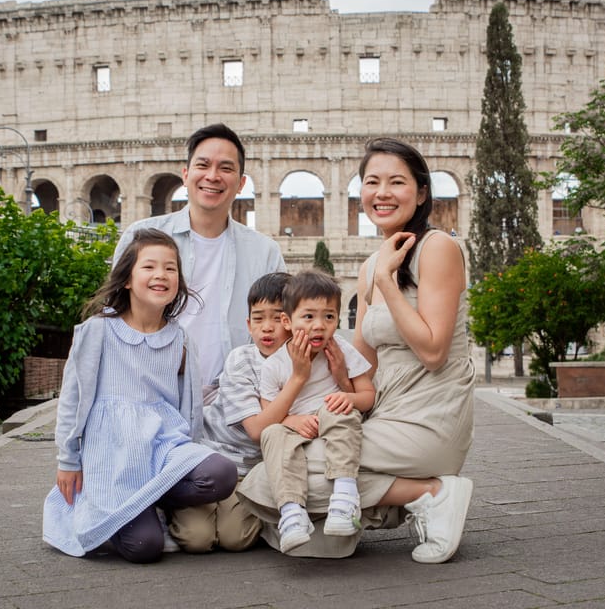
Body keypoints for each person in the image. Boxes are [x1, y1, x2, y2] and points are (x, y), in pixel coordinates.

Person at [238, 138, 475, 563]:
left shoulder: (437, 248)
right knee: (318, 535)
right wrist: (304, 367)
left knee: (272, 473)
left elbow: (435, 351)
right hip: (384, 411)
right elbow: (359, 364)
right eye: (372, 182)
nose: (382, 193)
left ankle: (433, 491)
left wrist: (387, 280)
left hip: (429, 413)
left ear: (421, 192)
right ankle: (395, 505)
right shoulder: (370, 265)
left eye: (396, 182)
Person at [42, 228, 238, 564]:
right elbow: (73, 399)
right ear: (128, 279)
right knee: (145, 548)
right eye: (149, 267)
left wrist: (188, 459)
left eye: (170, 268)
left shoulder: (180, 339)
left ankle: (151, 499)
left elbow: (188, 406)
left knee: (221, 474)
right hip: (113, 454)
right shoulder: (98, 331)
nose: (161, 274)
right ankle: (127, 510)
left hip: (162, 448)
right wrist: (68, 460)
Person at [113, 123, 286, 395]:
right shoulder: (139, 237)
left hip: (234, 402)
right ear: (185, 174)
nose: (213, 176)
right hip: (149, 392)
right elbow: (115, 318)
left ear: (241, 183)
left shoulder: (265, 252)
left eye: (226, 168)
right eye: (203, 165)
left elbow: (280, 332)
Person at [168, 271, 292, 553]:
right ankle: (168, 500)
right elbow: (256, 429)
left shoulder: (305, 362)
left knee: (236, 538)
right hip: (211, 461)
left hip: (250, 470)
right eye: (259, 318)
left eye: (278, 317)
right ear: (248, 324)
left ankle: (245, 513)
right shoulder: (242, 359)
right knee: (195, 539)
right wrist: (296, 390)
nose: (267, 328)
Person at [257, 270, 375, 553]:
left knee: (337, 407)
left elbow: (368, 396)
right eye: (308, 317)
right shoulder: (274, 365)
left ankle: (345, 497)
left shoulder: (341, 350)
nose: (319, 326)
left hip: (332, 417)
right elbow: (268, 415)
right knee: (273, 432)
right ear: (287, 321)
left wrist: (348, 397)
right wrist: (292, 420)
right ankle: (292, 512)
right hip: (295, 428)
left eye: (329, 317)